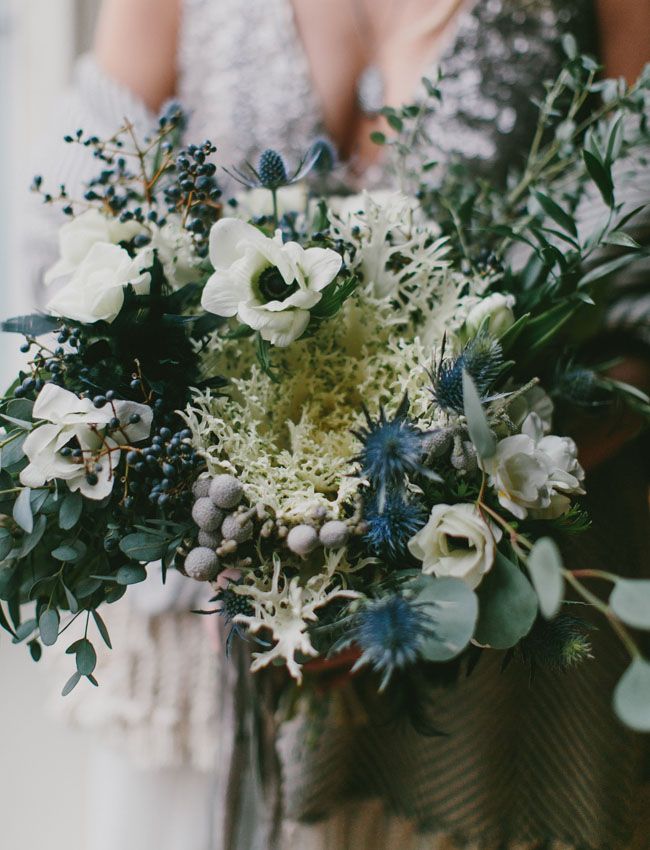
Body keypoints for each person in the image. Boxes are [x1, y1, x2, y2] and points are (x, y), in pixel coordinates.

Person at [23, 1, 650, 848]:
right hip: (202, 609)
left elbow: (630, 310)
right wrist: (211, 510)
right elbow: (61, 238)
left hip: (484, 640)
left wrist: (434, 516)